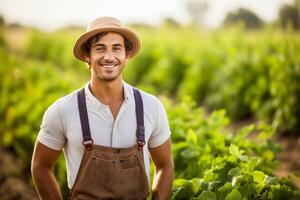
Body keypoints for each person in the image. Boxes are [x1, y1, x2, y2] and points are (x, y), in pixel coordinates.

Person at [31, 16, 174, 200]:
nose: (109, 56)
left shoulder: (151, 106)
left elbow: (165, 165)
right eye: (100, 49)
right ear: (87, 55)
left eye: (117, 48)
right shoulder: (63, 110)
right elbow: (40, 166)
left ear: (126, 55)